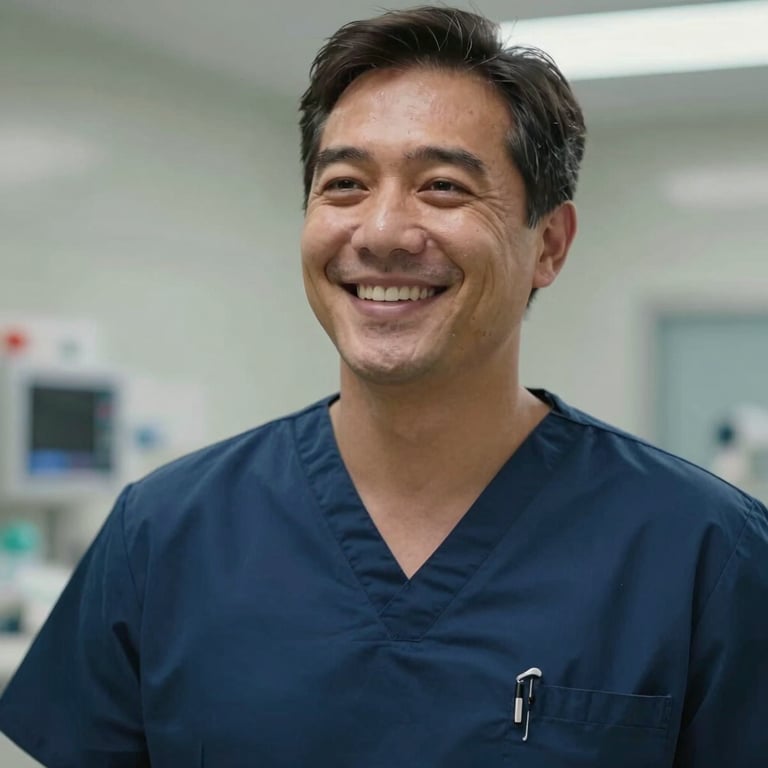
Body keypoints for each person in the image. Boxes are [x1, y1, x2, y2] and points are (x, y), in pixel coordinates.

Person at [1, 6, 767, 767]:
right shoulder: (163, 534)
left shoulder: (707, 553)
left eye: (441, 187)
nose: (380, 232)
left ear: (550, 245)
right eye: (343, 184)